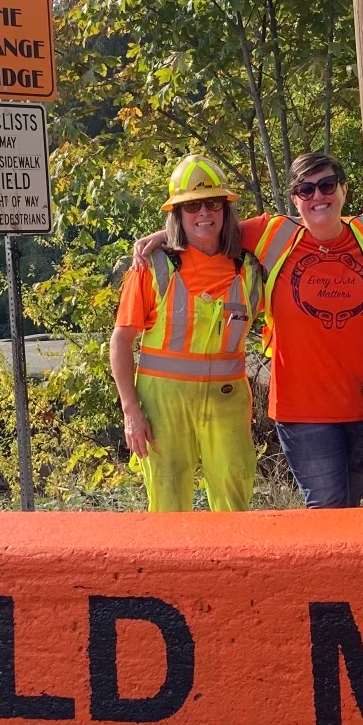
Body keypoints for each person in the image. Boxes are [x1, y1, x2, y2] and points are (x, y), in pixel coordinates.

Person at [135, 151, 363, 508]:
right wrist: (164, 235)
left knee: (347, 511)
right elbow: (206, 228)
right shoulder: (273, 234)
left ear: (344, 191)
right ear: (294, 198)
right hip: (303, 411)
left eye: (327, 185)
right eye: (306, 189)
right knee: (328, 511)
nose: (318, 196)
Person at [109, 155, 266, 512]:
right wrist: (131, 411)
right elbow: (120, 340)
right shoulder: (153, 266)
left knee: (234, 501)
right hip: (163, 406)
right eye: (192, 205)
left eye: (213, 203)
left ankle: (231, 569)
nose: (204, 213)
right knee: (168, 506)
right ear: (177, 213)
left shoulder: (252, 267)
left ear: (226, 209)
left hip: (227, 402)